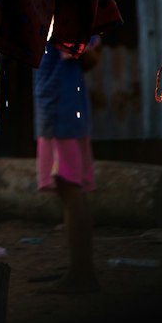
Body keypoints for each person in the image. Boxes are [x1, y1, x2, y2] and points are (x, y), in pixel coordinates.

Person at [34, 33, 101, 294]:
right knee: (67, 186)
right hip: (59, 103)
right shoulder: (60, 7)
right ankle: (80, 269)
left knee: (69, 185)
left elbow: (88, 55)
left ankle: (82, 272)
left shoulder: (60, 9)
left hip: (61, 107)